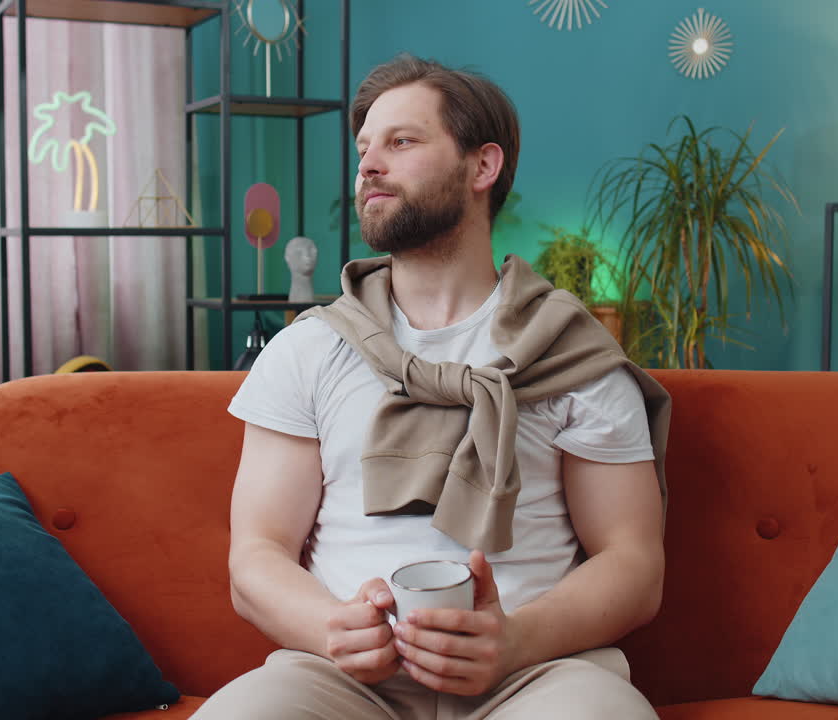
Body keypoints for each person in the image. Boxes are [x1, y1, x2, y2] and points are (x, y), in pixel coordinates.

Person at [193, 53, 671, 719]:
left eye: (402, 141)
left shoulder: (573, 355)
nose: (368, 165)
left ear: (483, 167)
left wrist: (513, 641)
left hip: (534, 675)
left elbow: (634, 565)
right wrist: (332, 628)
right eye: (364, 148)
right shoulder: (309, 349)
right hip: (340, 680)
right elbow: (257, 555)